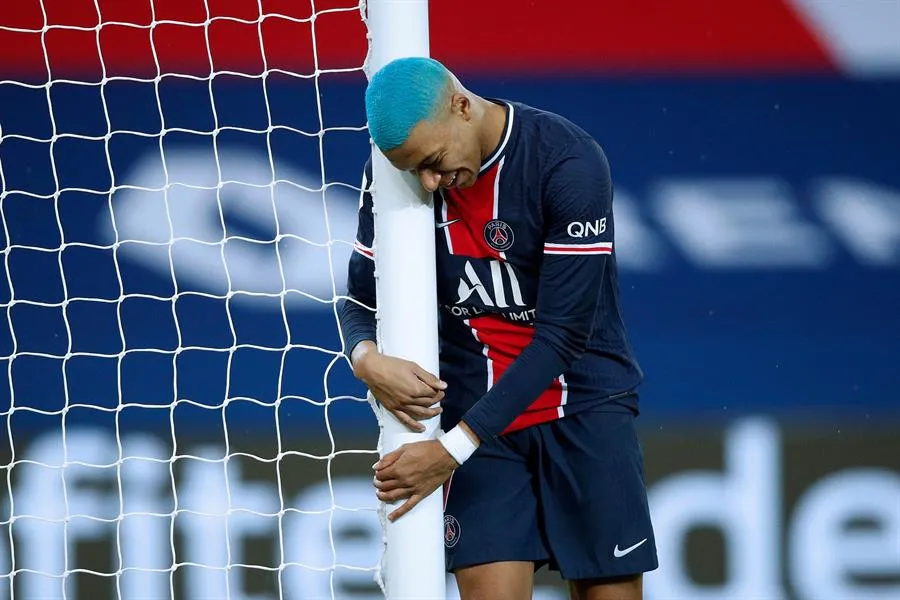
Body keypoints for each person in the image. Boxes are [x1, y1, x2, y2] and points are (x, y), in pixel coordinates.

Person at [338, 57, 657, 600]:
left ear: (462, 105)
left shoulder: (568, 163)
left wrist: (449, 452)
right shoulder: (394, 177)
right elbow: (358, 299)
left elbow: (561, 337)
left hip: (582, 406)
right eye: (413, 169)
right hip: (475, 413)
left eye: (434, 161)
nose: (429, 182)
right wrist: (366, 358)